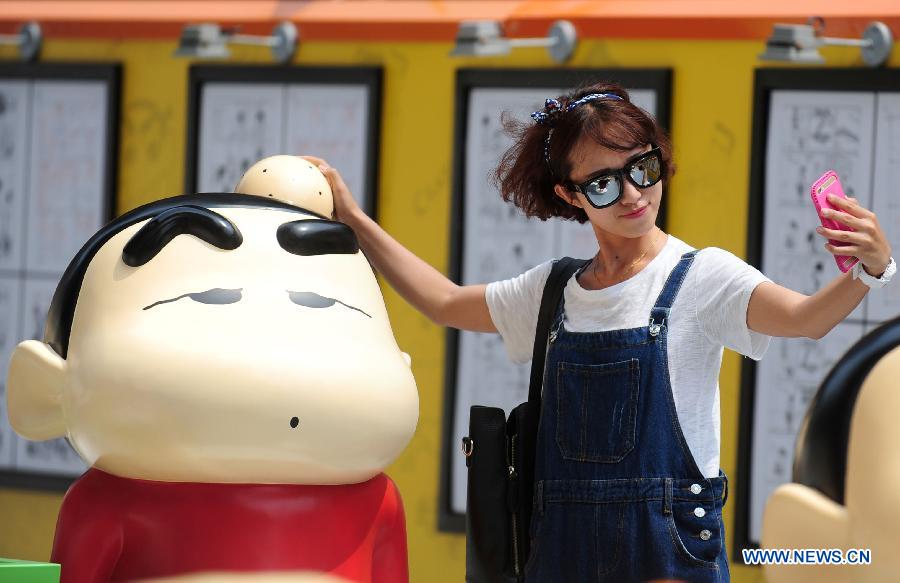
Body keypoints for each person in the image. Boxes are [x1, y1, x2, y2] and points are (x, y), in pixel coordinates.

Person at [303, 81, 894, 582]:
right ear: (570, 195)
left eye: (644, 167)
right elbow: (445, 302)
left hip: (667, 551)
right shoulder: (553, 290)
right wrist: (354, 220)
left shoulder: (703, 276)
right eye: (605, 183)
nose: (635, 194)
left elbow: (805, 320)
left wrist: (871, 270)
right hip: (559, 547)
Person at [6, 156, 418, 583]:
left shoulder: (378, 502)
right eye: (210, 299)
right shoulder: (108, 502)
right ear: (45, 389)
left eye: (319, 304)